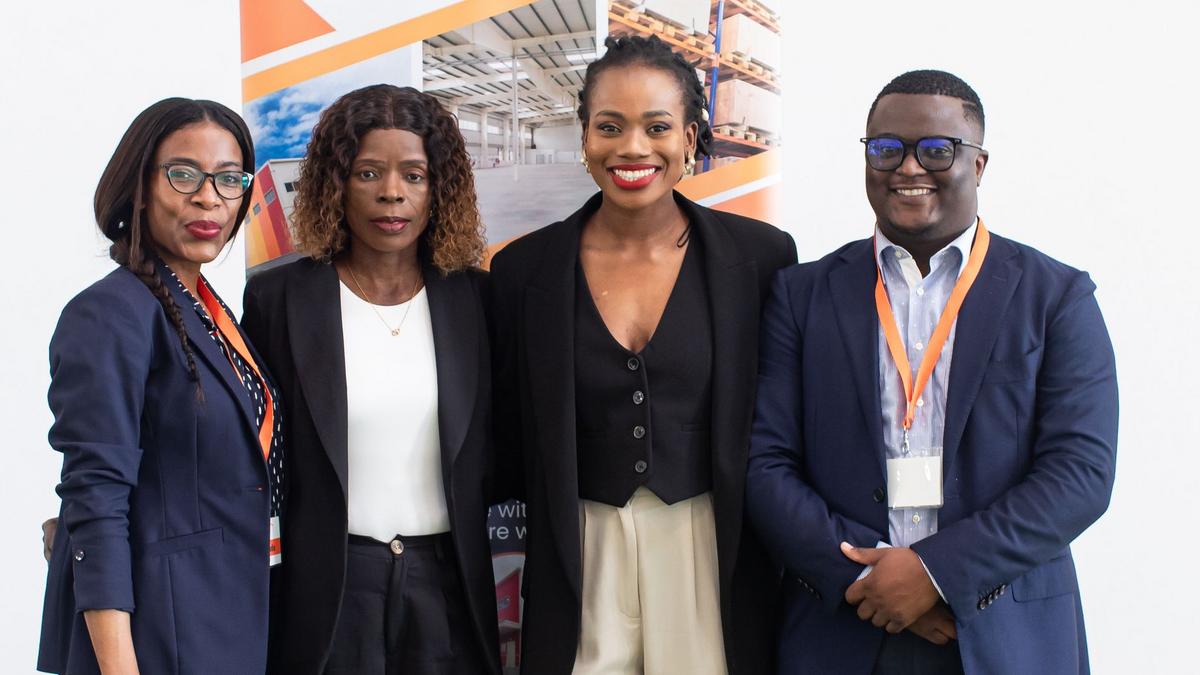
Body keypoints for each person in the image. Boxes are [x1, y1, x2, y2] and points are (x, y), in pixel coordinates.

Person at [746, 70, 1118, 674]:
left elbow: (1081, 474)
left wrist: (933, 574)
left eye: (937, 150)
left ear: (979, 164)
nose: (908, 167)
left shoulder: (1056, 297)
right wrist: (867, 580)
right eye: (886, 148)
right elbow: (764, 463)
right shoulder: (801, 295)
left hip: (1004, 633)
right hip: (841, 631)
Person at [489, 34, 797, 675]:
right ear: (584, 137)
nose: (632, 148)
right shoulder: (522, 270)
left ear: (690, 138)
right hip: (580, 548)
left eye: (657, 127)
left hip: (707, 543)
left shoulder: (761, 257)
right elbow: (511, 431)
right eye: (610, 127)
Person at [241, 84, 501, 675]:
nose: (392, 192)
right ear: (335, 184)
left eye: (414, 174)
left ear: (439, 188)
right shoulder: (278, 299)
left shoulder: (478, 299)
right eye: (367, 173)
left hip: (448, 589)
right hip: (329, 592)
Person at [38, 98, 279, 674]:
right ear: (138, 186)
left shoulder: (206, 308)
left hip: (228, 613)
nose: (209, 198)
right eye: (184, 174)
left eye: (229, 179)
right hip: (162, 630)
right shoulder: (110, 312)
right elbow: (96, 501)